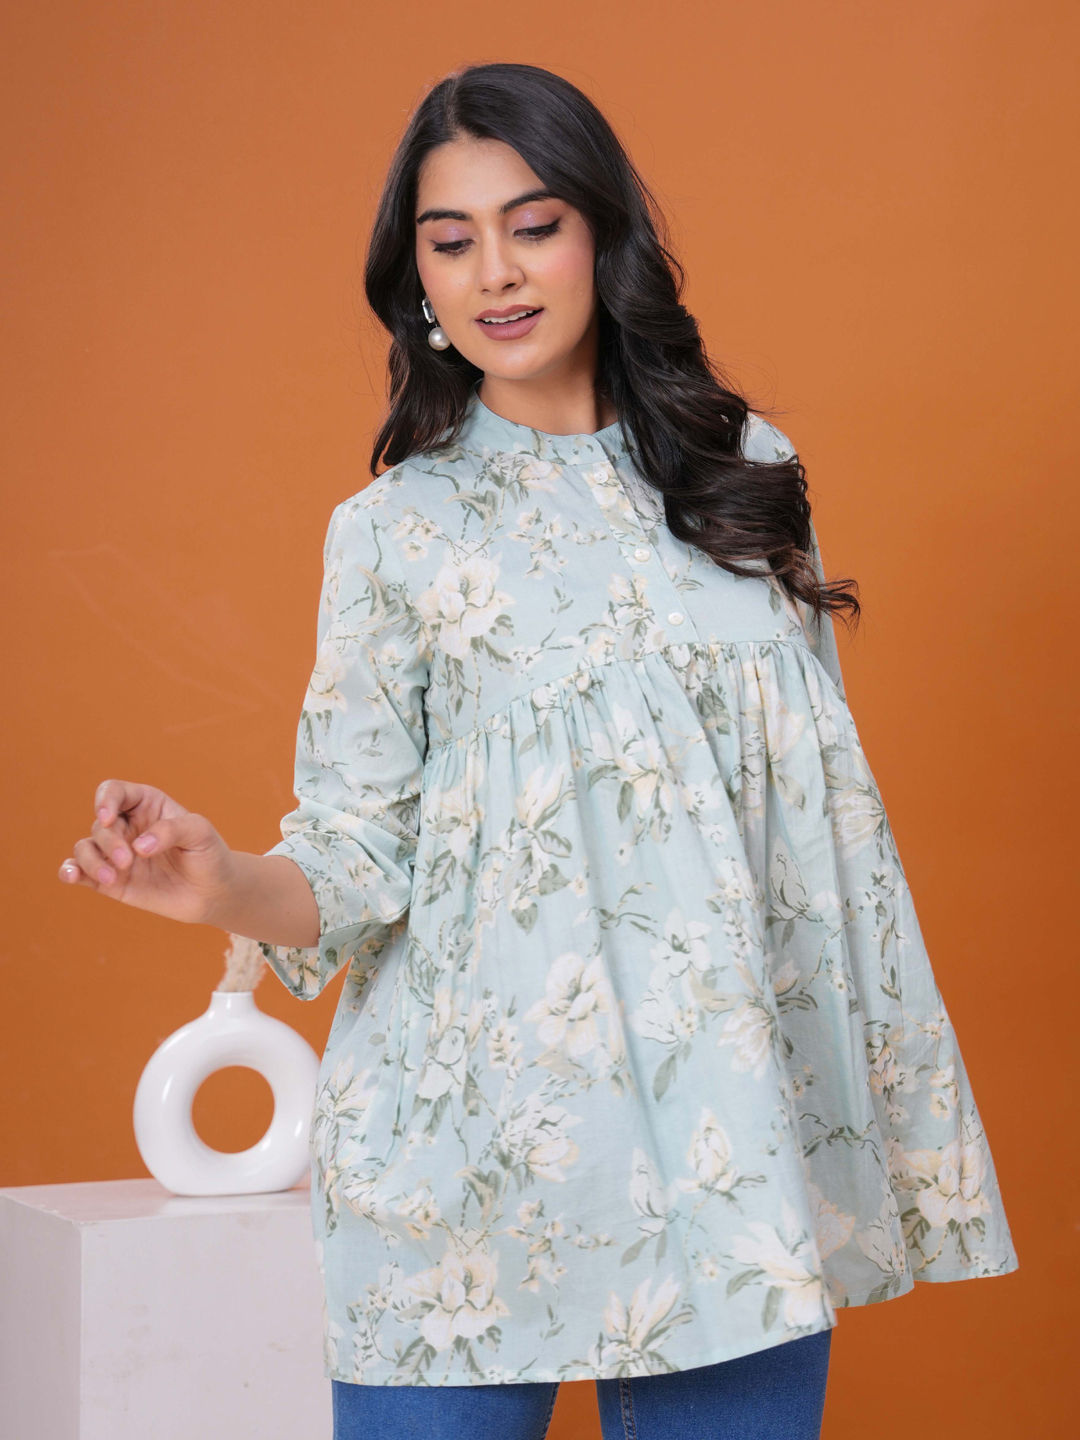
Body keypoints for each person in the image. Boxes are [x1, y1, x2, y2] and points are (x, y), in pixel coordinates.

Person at [58, 61, 1018, 1440]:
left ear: (603, 236)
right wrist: (218, 883)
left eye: (534, 225)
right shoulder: (394, 533)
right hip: (462, 1162)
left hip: (726, 1159)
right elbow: (359, 856)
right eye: (451, 242)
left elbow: (804, 836)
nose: (495, 274)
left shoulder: (745, 474)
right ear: (417, 280)